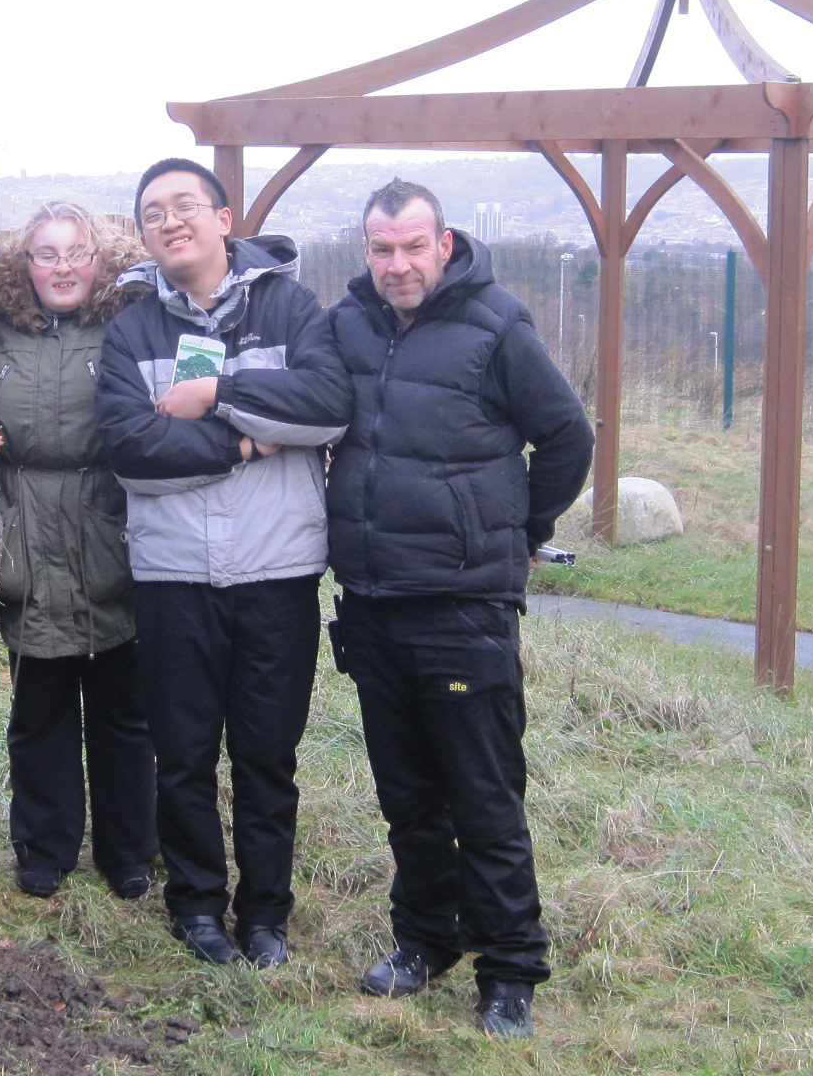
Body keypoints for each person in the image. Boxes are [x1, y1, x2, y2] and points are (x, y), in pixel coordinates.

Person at [326, 178, 593, 1039]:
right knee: (407, 795)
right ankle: (424, 939)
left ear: (444, 244)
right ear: (366, 250)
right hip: (372, 601)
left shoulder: (497, 325)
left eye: (413, 246)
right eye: (382, 248)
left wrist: (521, 529)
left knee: (483, 795)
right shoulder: (348, 323)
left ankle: (511, 967)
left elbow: (567, 436)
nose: (398, 265)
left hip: (463, 607)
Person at [95, 158, 351, 967]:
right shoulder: (133, 330)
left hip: (278, 570)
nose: (169, 222)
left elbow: (328, 406)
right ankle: (197, 905)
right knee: (183, 756)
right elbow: (132, 451)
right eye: (152, 213)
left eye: (184, 206)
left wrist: (215, 395)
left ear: (222, 217)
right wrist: (246, 443)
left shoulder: (290, 306)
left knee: (268, 756)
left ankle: (266, 913)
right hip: (174, 576)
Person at [0, 201, 157, 900]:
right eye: (46, 254)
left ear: (100, 260)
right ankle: (44, 845)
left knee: (123, 709)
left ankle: (129, 847)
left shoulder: (127, 325)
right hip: (25, 529)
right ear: (23, 265)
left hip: (109, 525)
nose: (62, 268)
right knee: (39, 709)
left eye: (76, 253)